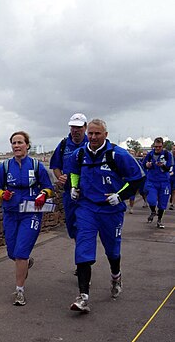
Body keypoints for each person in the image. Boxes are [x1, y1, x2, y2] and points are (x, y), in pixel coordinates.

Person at [67, 119, 144, 313]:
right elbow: (74, 173)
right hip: (87, 208)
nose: (93, 137)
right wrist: (74, 188)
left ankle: (116, 275)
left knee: (112, 251)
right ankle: (83, 296)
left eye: (97, 134)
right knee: (83, 248)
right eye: (90, 133)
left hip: (111, 211)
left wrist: (120, 196)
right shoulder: (80, 154)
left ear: (105, 135)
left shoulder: (118, 155)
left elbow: (137, 179)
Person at [0, 131, 54, 306]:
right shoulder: (4, 167)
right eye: (14, 143)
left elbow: (49, 187)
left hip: (31, 213)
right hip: (11, 213)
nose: (16, 146)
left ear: (27, 145)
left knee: (20, 253)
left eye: (20, 142)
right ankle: (25, 262)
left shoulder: (36, 166)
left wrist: (43, 195)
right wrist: (3, 194)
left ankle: (19, 291)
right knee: (12, 252)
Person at [50, 113, 88, 275]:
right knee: (73, 230)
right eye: (73, 127)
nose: (75, 130)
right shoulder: (64, 144)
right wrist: (61, 178)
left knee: (85, 229)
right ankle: (82, 258)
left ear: (85, 128)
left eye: (79, 127)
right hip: (69, 195)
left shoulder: (91, 143)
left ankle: (83, 264)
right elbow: (55, 166)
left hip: (87, 196)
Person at [142, 138, 174, 228]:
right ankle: (153, 211)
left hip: (164, 182)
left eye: (159, 147)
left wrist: (163, 166)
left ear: (162, 146)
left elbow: (169, 168)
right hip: (152, 181)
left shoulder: (168, 155)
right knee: (151, 200)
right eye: (156, 146)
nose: (157, 148)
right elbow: (144, 164)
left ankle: (159, 220)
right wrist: (147, 165)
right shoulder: (149, 155)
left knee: (162, 203)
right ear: (153, 146)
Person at [169, 144, 175, 210]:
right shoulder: (169, 156)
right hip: (169, 176)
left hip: (174, 176)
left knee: (174, 190)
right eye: (173, 149)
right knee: (170, 190)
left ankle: (172, 204)